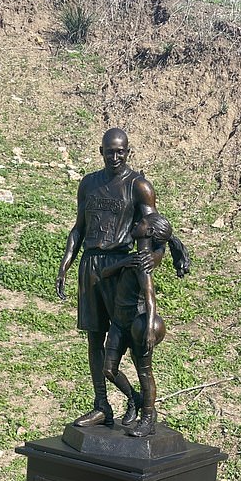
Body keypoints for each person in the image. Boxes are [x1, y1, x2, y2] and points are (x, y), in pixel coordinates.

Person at [56, 128, 158, 427]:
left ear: (128, 151)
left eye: (121, 151)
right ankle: (102, 404)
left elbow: (155, 227)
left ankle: (143, 403)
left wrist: (161, 256)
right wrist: (65, 264)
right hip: (90, 264)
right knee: (93, 336)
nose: (115, 156)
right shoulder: (88, 183)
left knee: (128, 336)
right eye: (109, 151)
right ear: (101, 152)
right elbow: (79, 228)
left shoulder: (138, 186)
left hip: (119, 266)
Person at [101, 213, 172, 437]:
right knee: (109, 370)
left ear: (149, 232)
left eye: (141, 223)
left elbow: (150, 296)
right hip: (119, 323)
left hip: (137, 324)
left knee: (145, 372)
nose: (136, 223)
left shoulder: (144, 262)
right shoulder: (135, 257)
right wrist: (123, 262)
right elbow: (104, 273)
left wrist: (150, 328)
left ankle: (149, 417)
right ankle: (134, 398)